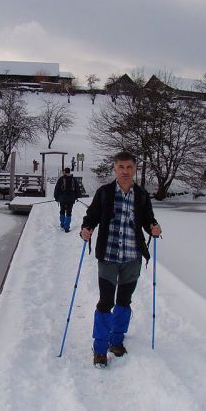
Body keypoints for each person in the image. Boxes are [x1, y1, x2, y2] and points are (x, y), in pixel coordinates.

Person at [80, 151, 162, 367]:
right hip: (108, 256)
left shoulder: (142, 195)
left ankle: (116, 340)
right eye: (121, 167)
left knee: (124, 301)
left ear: (135, 169)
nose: (125, 171)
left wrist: (153, 227)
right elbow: (91, 217)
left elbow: (147, 220)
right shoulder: (105, 192)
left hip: (132, 257)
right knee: (106, 302)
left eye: (129, 167)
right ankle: (99, 348)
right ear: (115, 169)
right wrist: (85, 229)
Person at [53, 167, 80, 232]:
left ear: (64, 172)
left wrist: (56, 197)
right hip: (71, 199)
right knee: (69, 212)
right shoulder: (73, 179)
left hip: (62, 198)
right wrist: (76, 197)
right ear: (69, 172)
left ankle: (62, 224)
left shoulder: (61, 179)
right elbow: (77, 189)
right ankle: (67, 227)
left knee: (62, 210)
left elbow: (57, 188)